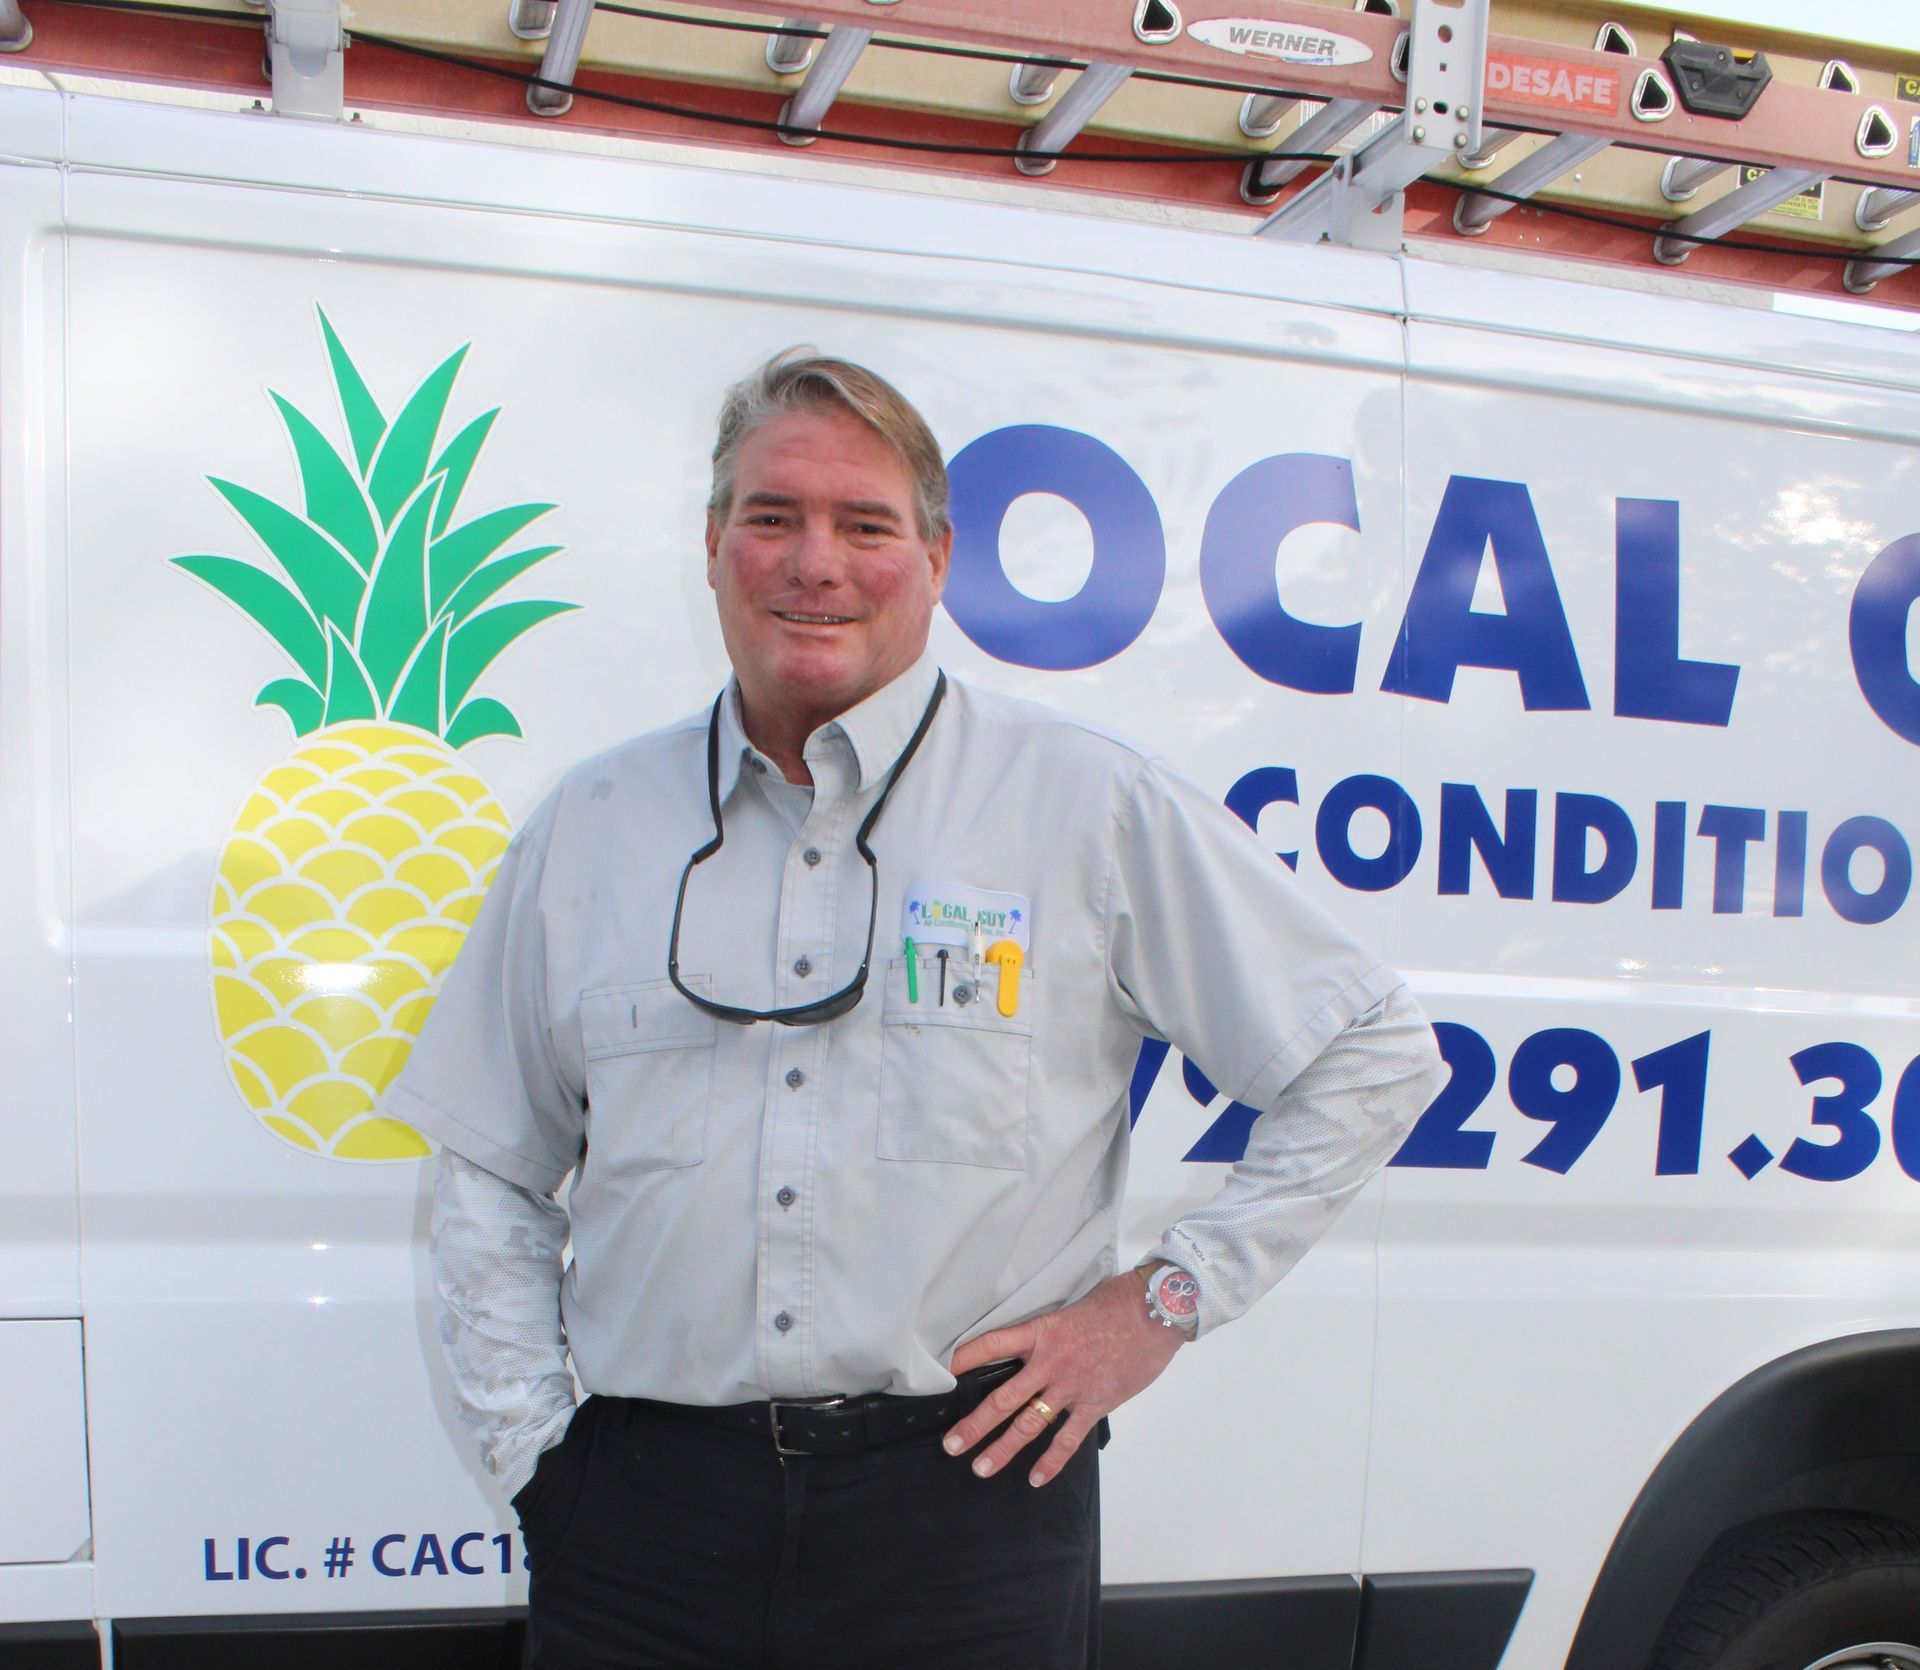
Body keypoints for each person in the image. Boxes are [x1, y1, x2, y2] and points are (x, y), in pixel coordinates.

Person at [386, 348, 1445, 1670]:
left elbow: (1370, 1050)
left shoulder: (1083, 808)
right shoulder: (591, 827)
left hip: (964, 1516)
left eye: (864, 524)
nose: (813, 561)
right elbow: (489, 1164)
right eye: (772, 516)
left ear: (936, 558)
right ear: (714, 545)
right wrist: (540, 1460)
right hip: (643, 1525)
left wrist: (1159, 1302)